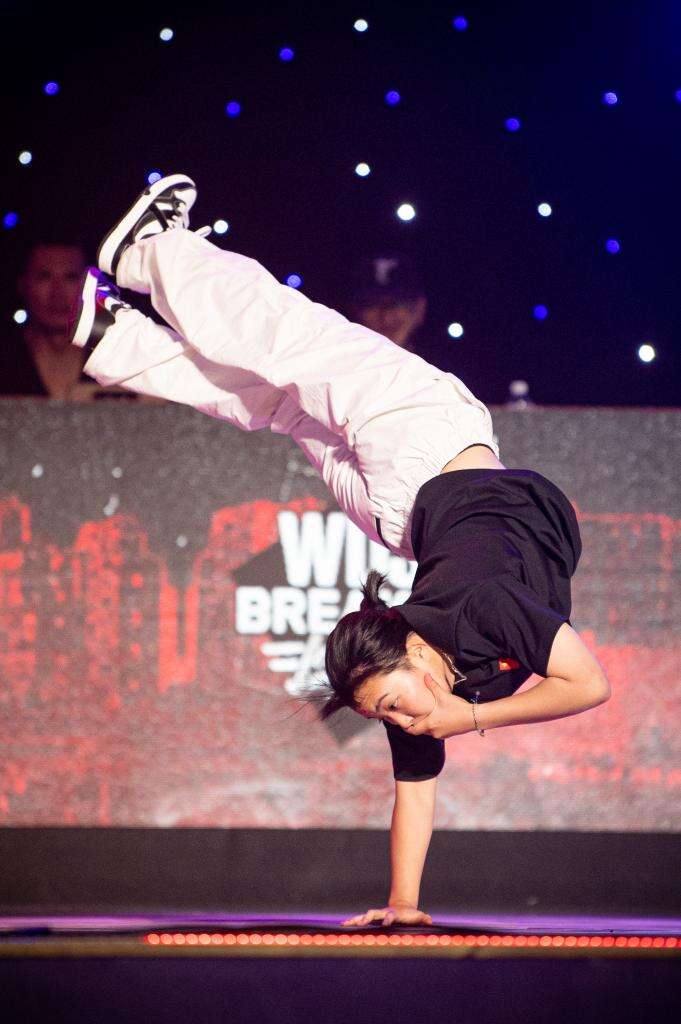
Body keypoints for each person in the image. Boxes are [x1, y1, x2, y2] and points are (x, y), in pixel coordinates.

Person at [69, 173, 611, 929]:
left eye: (388, 706)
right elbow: (439, 779)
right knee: (286, 386)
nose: (403, 721)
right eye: (387, 712)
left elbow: (580, 686)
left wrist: (459, 721)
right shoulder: (451, 664)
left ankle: (148, 262)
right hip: (407, 497)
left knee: (299, 350)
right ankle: (125, 321)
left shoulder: (462, 643)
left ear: (412, 652)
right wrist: (404, 905)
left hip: (421, 464)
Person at [2, 238, 156, 400]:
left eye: (70, 278)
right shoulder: (6, 358)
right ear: (23, 285)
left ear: (90, 285)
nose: (57, 294)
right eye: (44, 277)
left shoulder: (121, 358)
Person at [345, 254, 427, 352]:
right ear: (355, 309)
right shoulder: (335, 358)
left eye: (397, 303)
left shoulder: (439, 361)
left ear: (419, 308)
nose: (386, 316)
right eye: (372, 303)